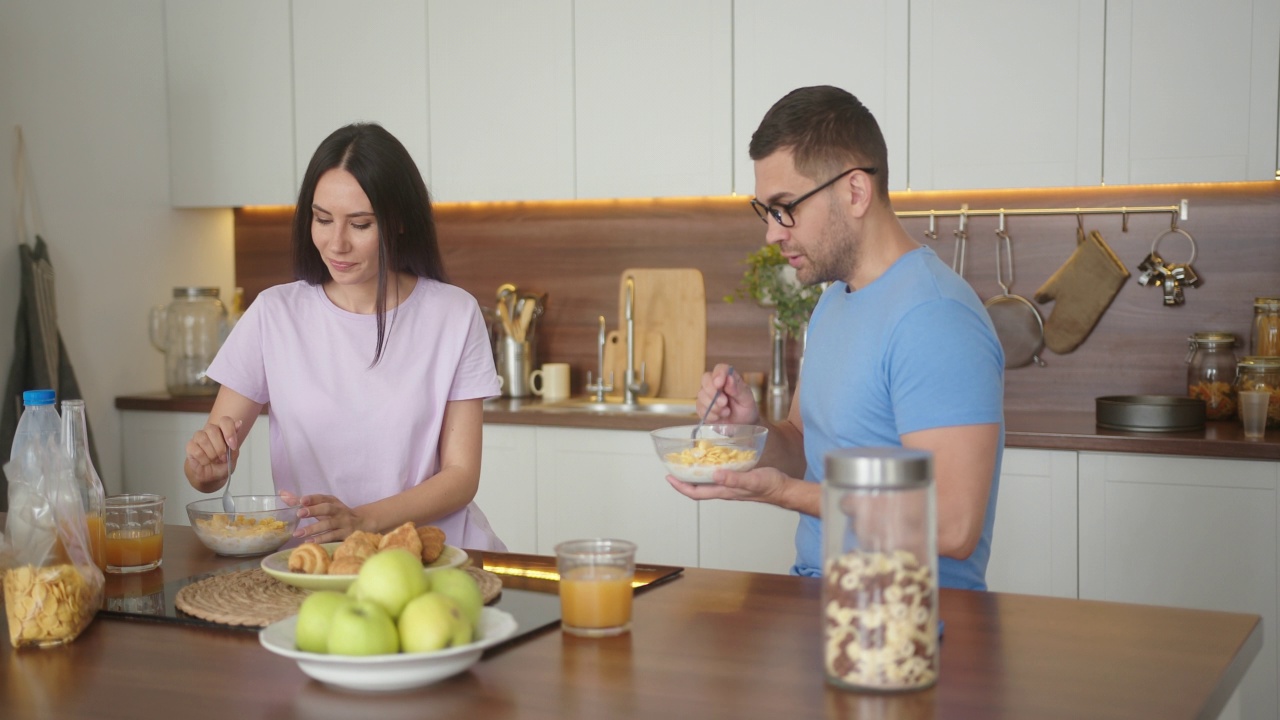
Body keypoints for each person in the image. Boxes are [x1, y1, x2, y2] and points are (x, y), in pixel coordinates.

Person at [669, 86, 1004, 590]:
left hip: (913, 622)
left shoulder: (935, 317)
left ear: (854, 192)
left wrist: (787, 494)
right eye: (766, 211)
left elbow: (954, 526)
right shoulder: (834, 300)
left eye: (786, 207)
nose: (773, 233)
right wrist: (750, 431)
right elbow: (806, 444)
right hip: (822, 599)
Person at [184, 123, 506, 551]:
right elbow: (212, 463)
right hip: (317, 560)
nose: (336, 244)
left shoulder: (453, 314)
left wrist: (362, 520)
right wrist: (205, 466)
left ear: (399, 223)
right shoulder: (274, 315)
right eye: (322, 220)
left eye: (360, 224)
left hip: (432, 555)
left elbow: (461, 477)